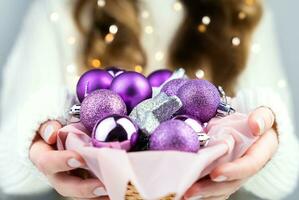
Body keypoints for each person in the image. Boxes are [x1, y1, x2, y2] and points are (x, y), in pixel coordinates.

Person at [0, 0, 298, 199]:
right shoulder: (60, 8)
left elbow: (286, 176)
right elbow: (5, 165)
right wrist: (39, 130)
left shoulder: (241, 11)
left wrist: (265, 135)